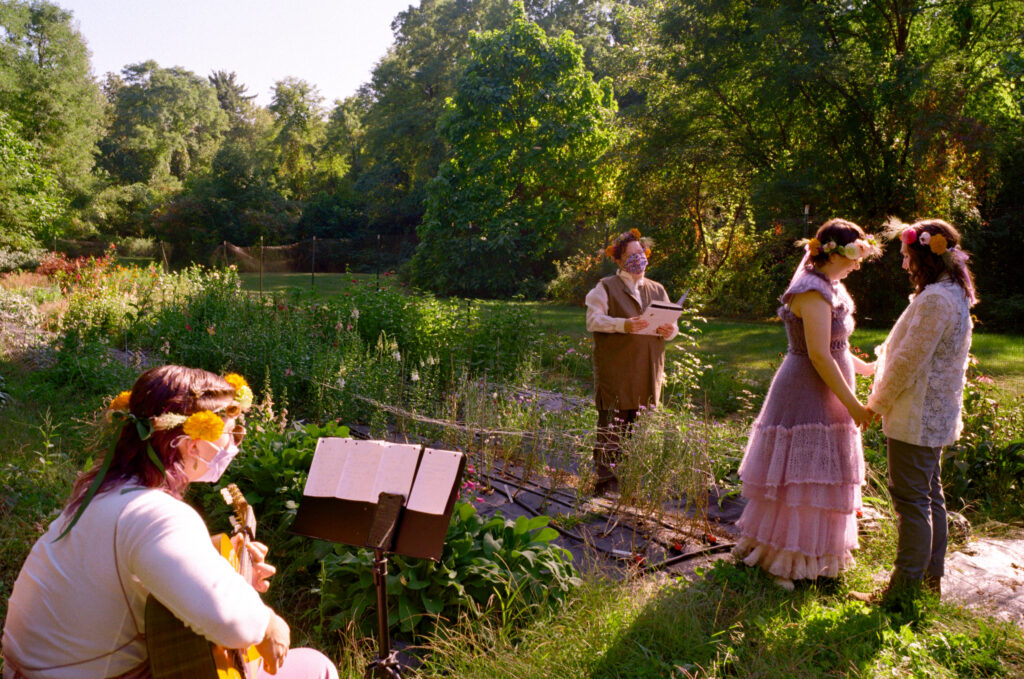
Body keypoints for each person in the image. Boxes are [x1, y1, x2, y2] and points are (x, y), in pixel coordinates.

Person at [2, 366, 338, 679]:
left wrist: (218, 563)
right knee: (315, 666)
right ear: (193, 444)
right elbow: (231, 623)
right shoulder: (156, 514)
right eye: (228, 431)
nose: (233, 444)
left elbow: (129, 563)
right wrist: (268, 623)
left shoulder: (103, 495)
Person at [733, 219, 880, 589]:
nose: (859, 263)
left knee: (821, 475)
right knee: (800, 478)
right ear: (835, 252)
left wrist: (868, 369)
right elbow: (818, 355)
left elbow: (838, 347)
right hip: (807, 391)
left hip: (831, 388)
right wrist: (854, 406)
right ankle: (780, 560)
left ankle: (815, 557)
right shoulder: (811, 292)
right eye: (856, 254)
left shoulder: (833, 286)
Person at [850, 219, 976, 605]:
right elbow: (902, 352)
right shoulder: (949, 293)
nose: (905, 266)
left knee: (912, 500)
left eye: (907, 257)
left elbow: (908, 361)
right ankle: (926, 584)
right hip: (931, 414)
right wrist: (868, 368)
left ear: (927, 255)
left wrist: (873, 406)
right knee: (929, 496)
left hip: (917, 414)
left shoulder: (937, 299)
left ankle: (903, 591)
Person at [585, 228, 678, 495]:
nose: (640, 258)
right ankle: (606, 486)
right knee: (612, 427)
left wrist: (669, 330)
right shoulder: (605, 287)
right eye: (633, 254)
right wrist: (624, 324)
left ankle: (631, 483)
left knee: (637, 430)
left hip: (646, 371)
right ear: (619, 259)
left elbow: (672, 325)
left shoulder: (657, 289)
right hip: (617, 371)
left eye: (642, 253)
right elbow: (593, 320)